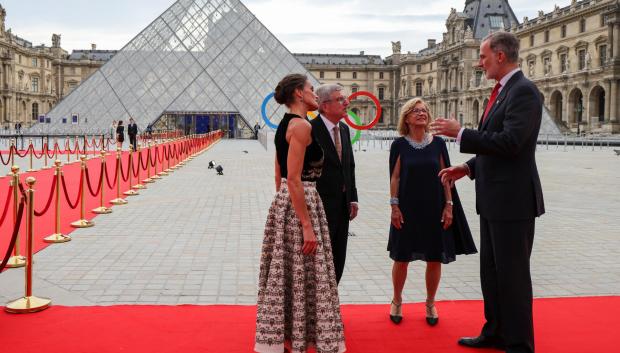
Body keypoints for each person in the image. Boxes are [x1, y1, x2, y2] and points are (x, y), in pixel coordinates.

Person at [430, 32, 545, 353]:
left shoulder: (524, 92)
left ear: (500, 56)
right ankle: (495, 330)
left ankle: (519, 343)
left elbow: (511, 143)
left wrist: (462, 132)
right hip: (494, 199)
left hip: (514, 201)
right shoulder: (502, 92)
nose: (479, 63)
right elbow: (493, 146)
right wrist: (466, 169)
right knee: (492, 273)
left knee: (513, 276)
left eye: (482, 57)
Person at [255, 74, 345, 353]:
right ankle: (307, 335)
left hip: (288, 201)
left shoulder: (284, 125)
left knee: (289, 270)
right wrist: (306, 223)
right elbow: (294, 178)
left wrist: (282, 201)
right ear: (298, 93)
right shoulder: (303, 126)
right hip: (302, 199)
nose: (314, 94)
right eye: (309, 89)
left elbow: (279, 172)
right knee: (310, 269)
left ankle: (287, 334)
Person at [388, 98, 476, 326]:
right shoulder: (399, 145)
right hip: (407, 207)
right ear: (406, 117)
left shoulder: (438, 144)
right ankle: (397, 300)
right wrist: (394, 206)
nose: (421, 114)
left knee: (435, 257)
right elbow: (395, 177)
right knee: (402, 256)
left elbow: (446, 176)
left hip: (435, 206)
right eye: (416, 111)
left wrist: (449, 205)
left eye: (424, 110)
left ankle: (430, 303)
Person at [311, 84, 358, 284]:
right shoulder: (310, 130)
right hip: (319, 205)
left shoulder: (345, 130)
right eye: (340, 99)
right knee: (318, 260)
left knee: (339, 257)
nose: (346, 102)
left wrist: (353, 198)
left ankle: (330, 301)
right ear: (324, 105)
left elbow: (349, 166)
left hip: (342, 206)